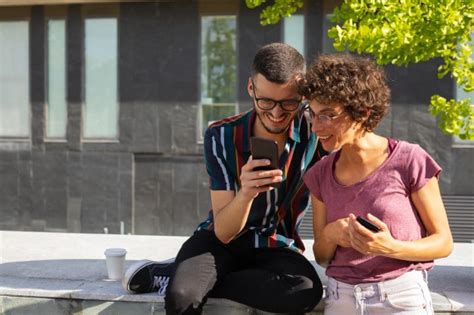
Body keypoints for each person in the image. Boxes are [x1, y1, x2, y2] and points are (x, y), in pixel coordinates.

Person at [123, 43, 325, 314]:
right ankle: (184, 278)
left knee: (304, 291)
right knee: (182, 296)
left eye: (288, 102)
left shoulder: (315, 133)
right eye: (266, 101)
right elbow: (224, 231)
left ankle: (179, 274)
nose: (277, 114)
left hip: (276, 243)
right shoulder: (221, 136)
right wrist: (246, 193)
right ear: (251, 89)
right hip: (221, 239)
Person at [299, 53, 453, 315]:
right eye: (312, 114)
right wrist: (330, 235)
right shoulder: (319, 174)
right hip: (341, 298)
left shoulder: (409, 159)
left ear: (362, 112)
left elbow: (443, 242)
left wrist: (390, 246)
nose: (315, 126)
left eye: (327, 115)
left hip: (401, 298)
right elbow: (323, 257)